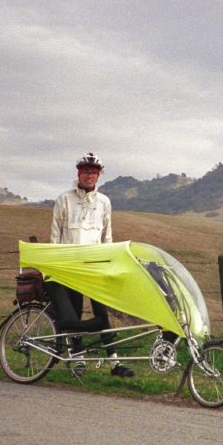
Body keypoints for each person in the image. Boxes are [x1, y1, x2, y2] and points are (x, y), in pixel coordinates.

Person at [46, 152, 135, 378]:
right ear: (79, 174)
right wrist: (54, 264)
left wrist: (109, 263)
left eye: (93, 173)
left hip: (95, 265)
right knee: (74, 315)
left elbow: (107, 236)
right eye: (86, 172)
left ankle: (115, 364)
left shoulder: (104, 202)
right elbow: (56, 233)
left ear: (98, 177)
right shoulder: (64, 199)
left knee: (101, 313)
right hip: (71, 266)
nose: (89, 177)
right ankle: (78, 361)